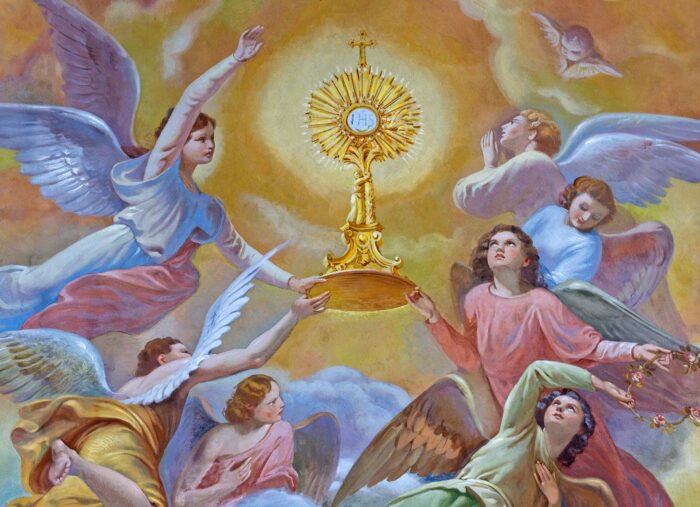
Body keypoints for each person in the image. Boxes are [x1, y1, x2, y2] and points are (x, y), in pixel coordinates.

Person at [0, 26, 323, 337]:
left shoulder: (208, 209)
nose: (209, 145)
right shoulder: (160, 174)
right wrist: (234, 60)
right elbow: (190, 101)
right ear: (179, 142)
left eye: (212, 138)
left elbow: (242, 255)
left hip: (136, 274)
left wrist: (291, 282)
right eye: (200, 138)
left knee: (57, 306)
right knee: (36, 284)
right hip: (117, 245)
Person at [405, 224, 673, 506]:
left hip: (557, 403)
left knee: (598, 477)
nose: (499, 248)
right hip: (511, 405)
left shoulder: (542, 303)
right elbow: (470, 359)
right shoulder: (477, 299)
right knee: (527, 487)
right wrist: (434, 318)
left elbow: (589, 346)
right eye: (493, 244)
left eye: (509, 243)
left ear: (526, 260)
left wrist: (635, 350)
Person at [8, 292, 330, 507]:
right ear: (164, 359)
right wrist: (293, 315)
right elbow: (253, 357)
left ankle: (76, 463)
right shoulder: (178, 372)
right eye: (184, 351)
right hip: (125, 438)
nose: (192, 357)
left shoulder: (131, 386)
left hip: (97, 438)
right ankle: (74, 462)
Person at [388, 360, 627, 507]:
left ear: (582, 428)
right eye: (556, 403)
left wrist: (554, 501)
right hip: (453, 499)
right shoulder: (519, 429)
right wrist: (601, 384)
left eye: (570, 408)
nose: (559, 408)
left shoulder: (554, 484)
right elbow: (536, 371)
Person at [173, 374, 297, 506]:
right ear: (250, 406)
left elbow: (279, 485)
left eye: (279, 398)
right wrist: (224, 486)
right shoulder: (218, 440)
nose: (281, 404)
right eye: (272, 402)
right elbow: (179, 500)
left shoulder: (281, 432)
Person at [521, 176, 615, 287]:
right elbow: (518, 238)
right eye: (583, 207)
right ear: (573, 197)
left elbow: (559, 285)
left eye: (595, 217)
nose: (585, 218)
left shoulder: (590, 246)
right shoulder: (550, 212)